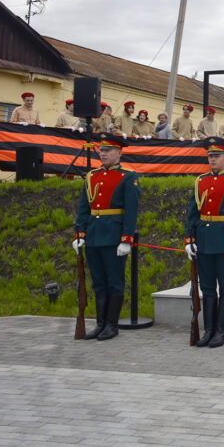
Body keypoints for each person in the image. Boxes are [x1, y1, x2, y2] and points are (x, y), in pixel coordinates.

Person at [72, 133, 140, 341]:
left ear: (119, 153)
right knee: (98, 282)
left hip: (114, 236)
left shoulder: (128, 176)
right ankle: (100, 324)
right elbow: (84, 207)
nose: (103, 154)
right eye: (101, 151)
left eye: (108, 151)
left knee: (114, 282)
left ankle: (111, 325)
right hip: (93, 235)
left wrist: (126, 239)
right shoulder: (92, 176)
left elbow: (131, 210)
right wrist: (80, 233)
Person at [184, 136, 224, 348]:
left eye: (217, 156)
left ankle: (221, 332)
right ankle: (208, 330)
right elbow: (192, 213)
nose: (212, 160)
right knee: (208, 288)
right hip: (203, 240)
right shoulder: (200, 181)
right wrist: (189, 239)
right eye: (210, 156)